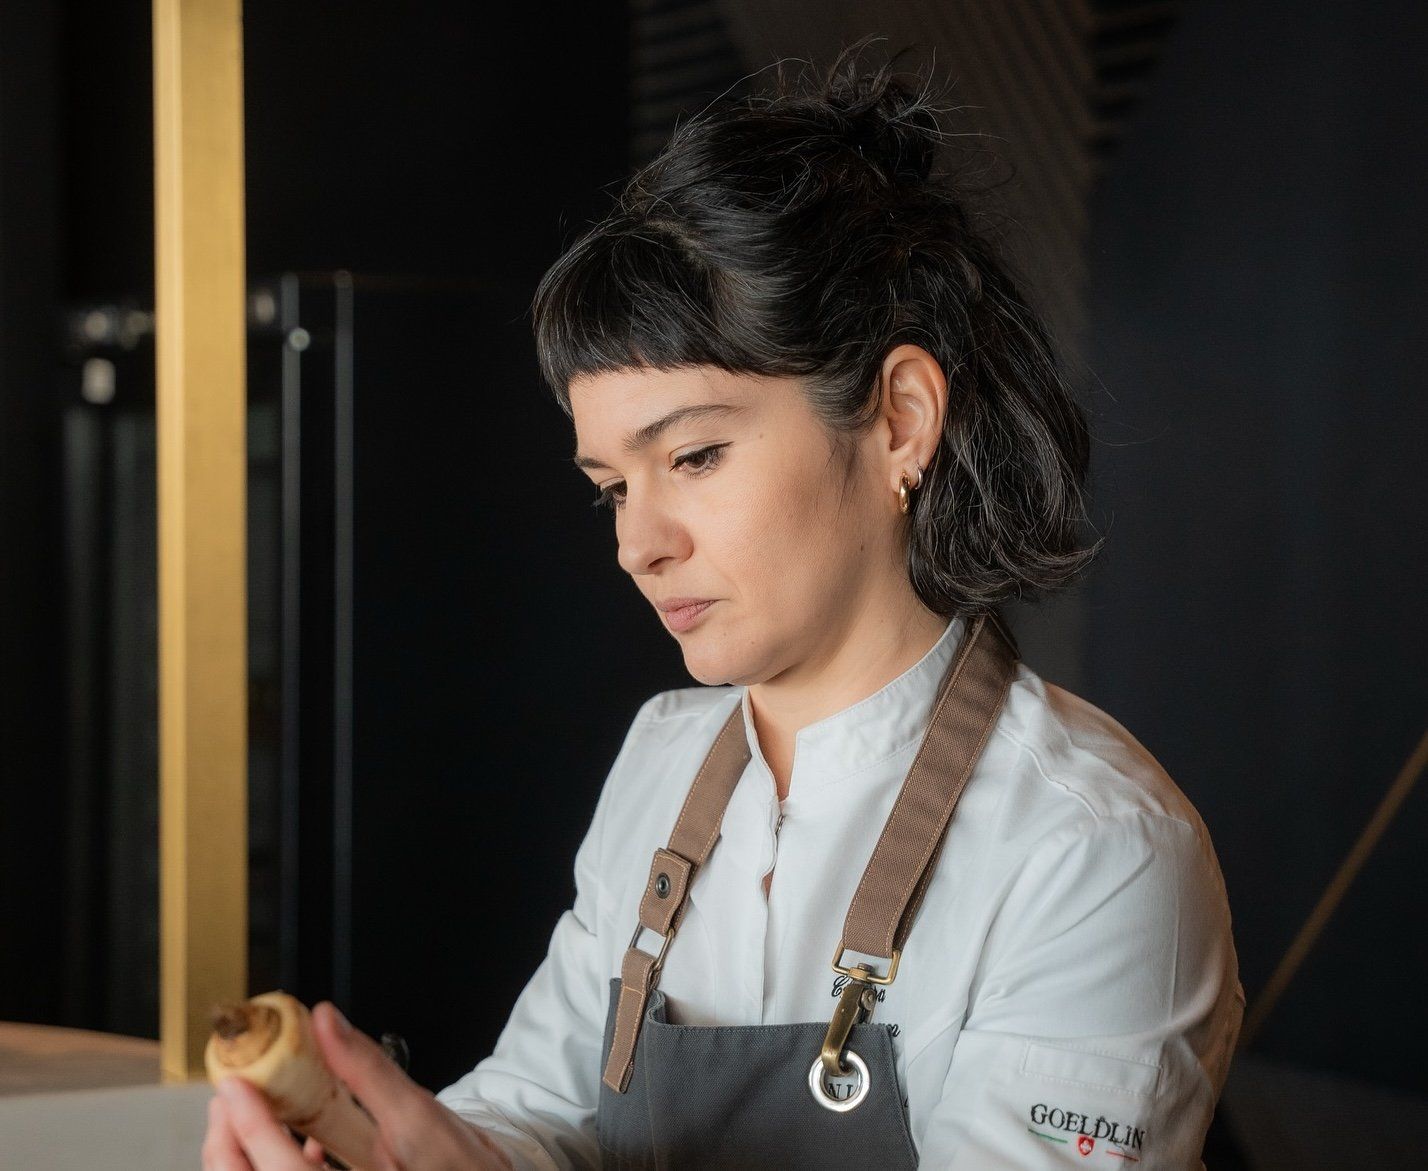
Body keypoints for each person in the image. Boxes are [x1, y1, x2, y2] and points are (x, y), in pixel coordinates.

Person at [204, 43, 1243, 1171]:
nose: (637, 545)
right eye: (612, 487)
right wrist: (409, 1149)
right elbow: (541, 1107)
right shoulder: (665, 760)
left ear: (899, 419)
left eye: (694, 455)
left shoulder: (1093, 851)